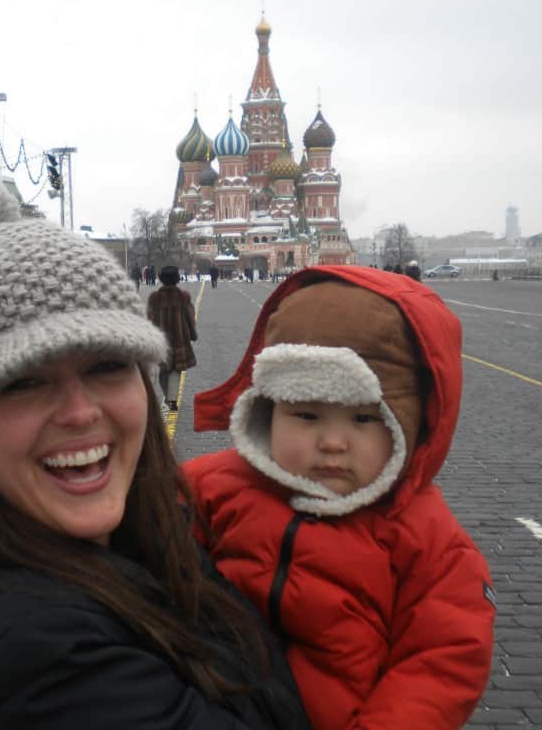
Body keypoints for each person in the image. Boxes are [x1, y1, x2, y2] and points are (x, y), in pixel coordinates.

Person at [0, 169, 309, 730]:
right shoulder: (33, 656)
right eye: (21, 381)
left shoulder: (118, 540)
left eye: (106, 365)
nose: (79, 412)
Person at [184, 266, 496, 729]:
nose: (333, 442)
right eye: (306, 416)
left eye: (364, 420)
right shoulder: (208, 486)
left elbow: (440, 662)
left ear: (408, 424)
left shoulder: (429, 538)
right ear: (267, 410)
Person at [147, 265, 197, 412]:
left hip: (161, 340)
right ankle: (173, 399)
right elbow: (190, 318)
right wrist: (193, 334)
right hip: (180, 339)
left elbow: (149, 319)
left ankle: (168, 397)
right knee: (176, 369)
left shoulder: (154, 298)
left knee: (163, 370)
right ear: (177, 279)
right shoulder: (184, 296)